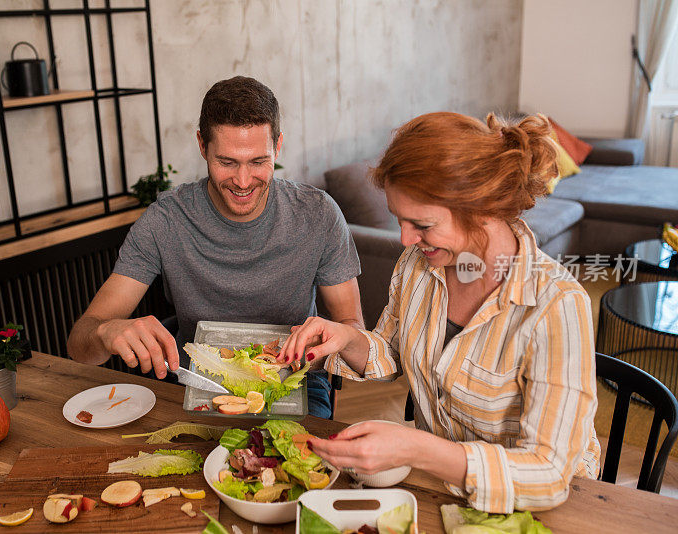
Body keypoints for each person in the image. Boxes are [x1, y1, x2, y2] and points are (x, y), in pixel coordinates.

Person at [278, 112, 601, 512]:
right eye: (400, 220)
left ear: (481, 207)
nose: (405, 238)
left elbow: (550, 474)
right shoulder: (418, 264)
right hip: (439, 492)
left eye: (422, 225)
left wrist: (416, 446)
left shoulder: (556, 304)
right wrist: (347, 338)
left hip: (540, 511)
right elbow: (392, 352)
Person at [67, 76, 363, 419]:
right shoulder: (165, 220)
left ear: (278, 146)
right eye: (226, 162)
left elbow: (352, 329)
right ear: (202, 146)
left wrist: (331, 342)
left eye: (257, 161)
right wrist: (106, 331)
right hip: (196, 383)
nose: (242, 181)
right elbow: (80, 346)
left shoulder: (318, 214)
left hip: (295, 382)